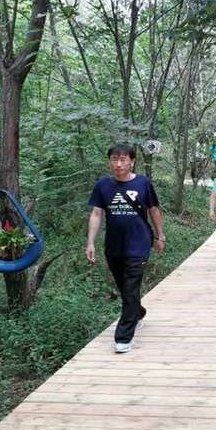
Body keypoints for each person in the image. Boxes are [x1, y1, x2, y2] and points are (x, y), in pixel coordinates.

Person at [86, 143, 165, 353]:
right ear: (109, 161)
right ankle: (137, 312)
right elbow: (96, 214)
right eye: (114, 159)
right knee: (124, 287)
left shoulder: (143, 183)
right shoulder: (103, 185)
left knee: (130, 288)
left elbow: (154, 210)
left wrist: (160, 236)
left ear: (132, 161)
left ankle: (123, 337)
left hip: (139, 243)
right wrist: (90, 242)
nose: (118, 164)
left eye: (123, 159)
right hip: (114, 245)